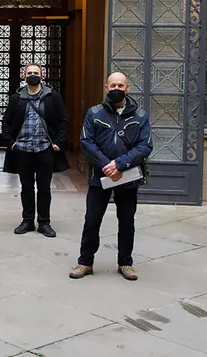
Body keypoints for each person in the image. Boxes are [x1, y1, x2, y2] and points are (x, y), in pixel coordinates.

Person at [70, 72, 152, 281]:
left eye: (120, 85)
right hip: (100, 175)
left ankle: (125, 263)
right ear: (106, 88)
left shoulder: (140, 115)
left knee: (126, 222)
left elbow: (145, 145)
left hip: (128, 176)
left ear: (127, 88)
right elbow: (86, 142)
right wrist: (107, 165)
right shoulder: (94, 113)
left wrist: (119, 164)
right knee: (92, 220)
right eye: (112, 85)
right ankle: (85, 262)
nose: (116, 88)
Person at [1, 63, 69, 238]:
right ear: (24, 77)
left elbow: (63, 120)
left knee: (44, 188)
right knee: (26, 187)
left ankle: (44, 222)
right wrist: (11, 143)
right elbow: (6, 122)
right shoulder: (17, 98)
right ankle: (28, 220)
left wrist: (59, 142)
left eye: (36, 73)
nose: (32, 75)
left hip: (44, 149)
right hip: (22, 150)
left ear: (42, 76)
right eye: (29, 73)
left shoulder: (52, 96)